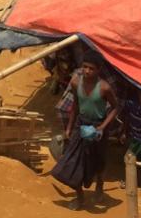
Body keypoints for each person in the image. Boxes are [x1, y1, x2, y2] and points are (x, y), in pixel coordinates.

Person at [51, 58, 119, 211]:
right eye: (85, 67)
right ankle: (80, 197)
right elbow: (75, 105)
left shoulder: (104, 88)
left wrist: (102, 127)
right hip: (80, 125)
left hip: (97, 128)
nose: (87, 71)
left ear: (98, 70)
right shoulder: (76, 82)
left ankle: (100, 185)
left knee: (98, 161)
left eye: (91, 68)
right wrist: (68, 128)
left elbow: (115, 108)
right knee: (74, 161)